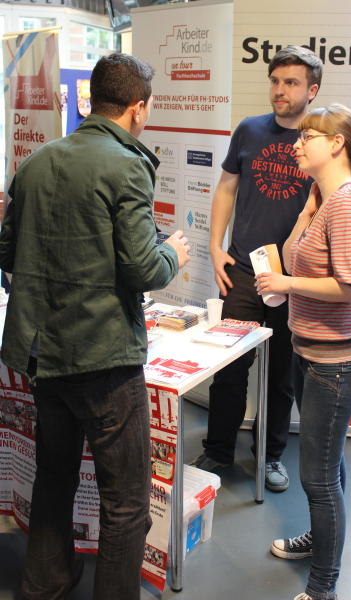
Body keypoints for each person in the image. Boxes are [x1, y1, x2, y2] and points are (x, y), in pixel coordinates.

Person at [0, 53, 190, 600]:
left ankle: (45, 584)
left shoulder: (35, 162)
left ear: (91, 101)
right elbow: (142, 269)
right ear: (137, 108)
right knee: (126, 502)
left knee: (54, 479)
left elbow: (8, 251)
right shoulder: (128, 165)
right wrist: (173, 253)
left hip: (46, 354)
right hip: (105, 360)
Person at [255, 103, 351, 600]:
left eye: (308, 135)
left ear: (335, 144)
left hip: (336, 364)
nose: (297, 142)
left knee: (316, 475)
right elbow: (294, 252)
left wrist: (285, 282)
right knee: (327, 466)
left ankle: (323, 587)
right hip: (310, 351)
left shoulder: (350, 203)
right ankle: (320, 542)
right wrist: (307, 212)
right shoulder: (324, 198)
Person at [192, 46, 323, 492]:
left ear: (313, 90)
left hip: (296, 279)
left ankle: (271, 455)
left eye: (291, 83)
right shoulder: (249, 131)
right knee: (230, 366)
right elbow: (227, 187)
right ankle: (218, 450)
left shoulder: (321, 139)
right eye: (276, 80)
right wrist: (214, 245)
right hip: (245, 271)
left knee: (282, 372)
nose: (280, 90)